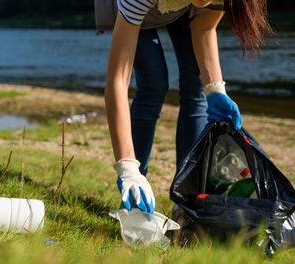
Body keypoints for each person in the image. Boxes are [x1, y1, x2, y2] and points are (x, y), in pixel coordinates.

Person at [104, 0, 272, 214]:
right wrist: (126, 167)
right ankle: (135, 192)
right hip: (141, 11)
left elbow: (204, 27)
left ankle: (188, 197)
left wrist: (215, 89)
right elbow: (117, 81)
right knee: (153, 86)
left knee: (197, 88)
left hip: (184, 9)